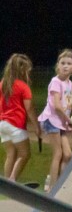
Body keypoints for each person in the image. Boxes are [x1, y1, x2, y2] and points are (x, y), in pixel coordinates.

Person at [38, 49, 72, 192]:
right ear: (58, 66)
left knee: (68, 154)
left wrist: (66, 121)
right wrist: (69, 120)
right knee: (58, 153)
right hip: (51, 120)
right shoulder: (55, 82)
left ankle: (59, 184)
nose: (65, 66)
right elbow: (57, 106)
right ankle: (52, 187)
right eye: (63, 63)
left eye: (69, 64)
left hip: (60, 121)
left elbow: (67, 105)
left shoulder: (69, 83)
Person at [1, 53, 42, 182]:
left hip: (2, 124)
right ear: (22, 69)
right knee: (25, 154)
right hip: (16, 124)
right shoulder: (23, 86)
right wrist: (37, 127)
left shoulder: (2, 84)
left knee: (11, 154)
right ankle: (12, 180)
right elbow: (29, 108)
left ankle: (8, 185)